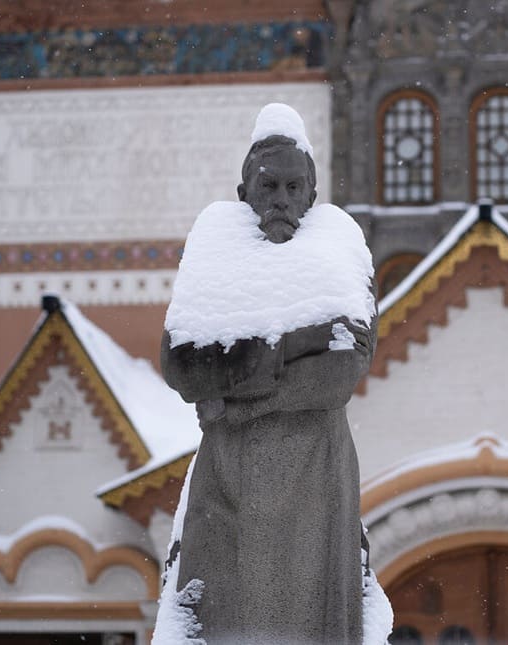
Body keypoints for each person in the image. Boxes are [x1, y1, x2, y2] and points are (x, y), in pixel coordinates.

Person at [159, 132, 376, 644]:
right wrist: (296, 342)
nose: (281, 199)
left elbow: (340, 372)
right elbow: (183, 366)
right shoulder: (215, 252)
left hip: (316, 481)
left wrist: (233, 402)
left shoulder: (339, 251)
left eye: (293, 187)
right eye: (269, 185)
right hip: (228, 481)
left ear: (311, 196)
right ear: (244, 193)